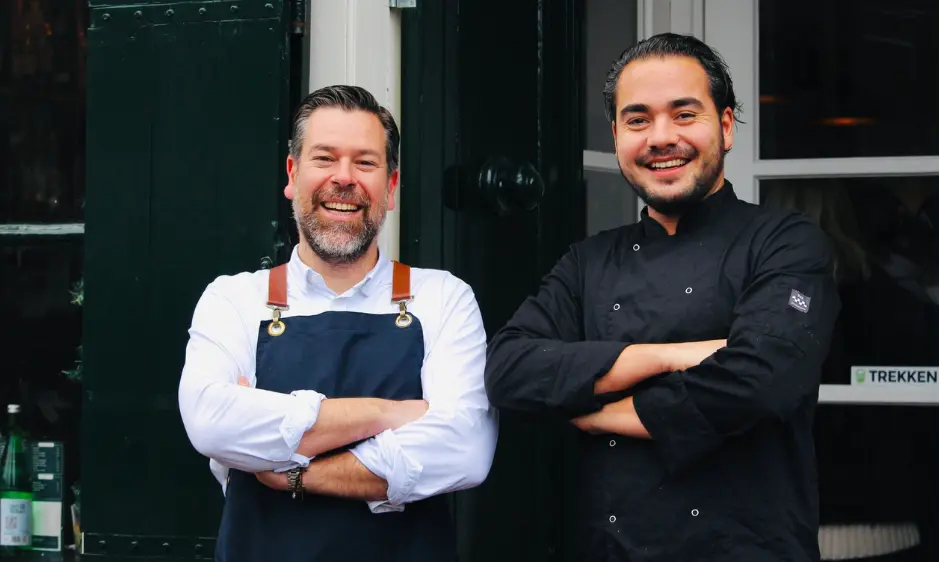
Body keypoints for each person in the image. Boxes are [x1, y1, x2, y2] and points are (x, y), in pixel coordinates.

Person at [484, 33, 841, 561]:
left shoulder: (784, 243)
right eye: (637, 120)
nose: (661, 137)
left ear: (725, 126)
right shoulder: (587, 262)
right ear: (616, 136)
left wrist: (596, 412)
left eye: (684, 114)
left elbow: (760, 380)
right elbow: (509, 370)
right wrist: (671, 357)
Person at [178, 85, 498, 562]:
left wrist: (293, 473)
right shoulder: (234, 300)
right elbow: (211, 424)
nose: (344, 178)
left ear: (391, 187)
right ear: (293, 174)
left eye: (365, 163)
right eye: (325, 158)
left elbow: (466, 449)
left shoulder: (444, 298)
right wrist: (389, 414)